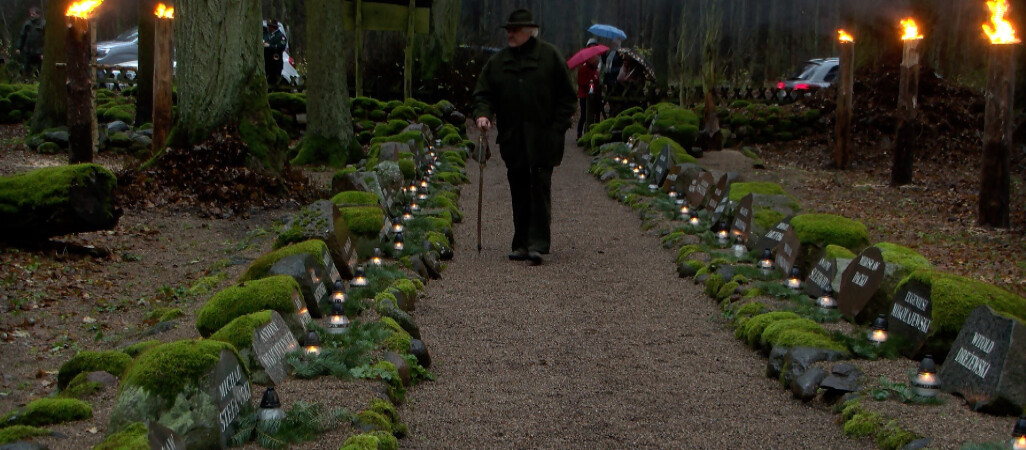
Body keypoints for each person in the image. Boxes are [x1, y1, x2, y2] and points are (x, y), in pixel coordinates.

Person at [473, 9, 577, 266]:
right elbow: (484, 93)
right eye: (508, 30)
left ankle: (538, 243)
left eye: (515, 30)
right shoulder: (498, 62)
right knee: (519, 188)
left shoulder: (550, 57)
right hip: (514, 137)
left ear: (530, 32)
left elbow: (568, 97)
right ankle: (520, 242)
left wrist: (557, 128)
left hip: (545, 137)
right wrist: (483, 114)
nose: (510, 34)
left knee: (540, 187)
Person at [575, 38, 602, 140]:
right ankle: (579, 133)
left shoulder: (596, 71)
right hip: (584, 96)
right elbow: (581, 82)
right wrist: (589, 84)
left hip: (594, 95)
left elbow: (597, 81)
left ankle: (591, 132)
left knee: (594, 114)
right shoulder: (583, 69)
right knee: (584, 115)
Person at [15, 7, 45, 78]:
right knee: (27, 67)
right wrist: (19, 47)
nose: (31, 15)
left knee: (41, 68)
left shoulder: (43, 24)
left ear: (38, 14)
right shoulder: (27, 24)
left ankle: (39, 79)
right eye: (31, 14)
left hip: (39, 51)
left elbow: (46, 39)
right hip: (28, 50)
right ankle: (27, 79)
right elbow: (22, 36)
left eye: (33, 14)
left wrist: (43, 52)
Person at [262, 19, 287, 86]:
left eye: (269, 26)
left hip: (275, 63)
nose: (267, 27)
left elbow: (281, 46)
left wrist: (269, 46)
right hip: (267, 62)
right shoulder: (268, 35)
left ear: (273, 27)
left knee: (274, 81)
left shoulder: (280, 36)